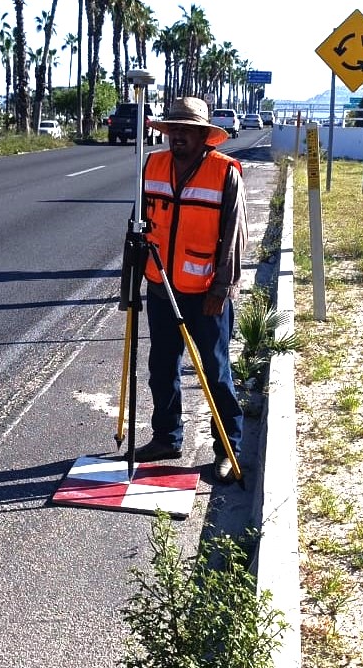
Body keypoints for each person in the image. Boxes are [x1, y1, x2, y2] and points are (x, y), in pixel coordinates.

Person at [133, 96, 246, 482]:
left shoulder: (224, 172)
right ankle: (167, 436)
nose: (178, 136)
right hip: (160, 284)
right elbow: (137, 225)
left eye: (188, 130)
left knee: (215, 372)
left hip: (206, 293)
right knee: (161, 367)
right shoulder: (152, 165)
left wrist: (222, 287)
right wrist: (129, 282)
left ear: (204, 136)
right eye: (174, 129)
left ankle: (228, 447)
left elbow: (234, 235)